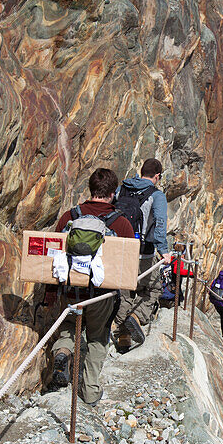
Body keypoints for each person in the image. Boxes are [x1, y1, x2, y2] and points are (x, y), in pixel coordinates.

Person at [44, 168, 135, 405]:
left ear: (91, 190)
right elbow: (127, 266)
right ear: (113, 193)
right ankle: (90, 392)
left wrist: (51, 292)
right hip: (102, 295)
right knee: (97, 338)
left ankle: (63, 352)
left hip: (71, 289)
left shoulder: (69, 217)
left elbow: (54, 255)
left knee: (68, 325)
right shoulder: (121, 223)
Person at [114, 158, 169, 349]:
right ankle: (135, 317)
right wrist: (164, 251)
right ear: (157, 176)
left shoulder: (122, 188)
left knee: (124, 292)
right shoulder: (157, 195)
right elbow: (160, 224)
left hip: (120, 248)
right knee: (152, 289)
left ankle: (122, 335)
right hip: (143, 252)